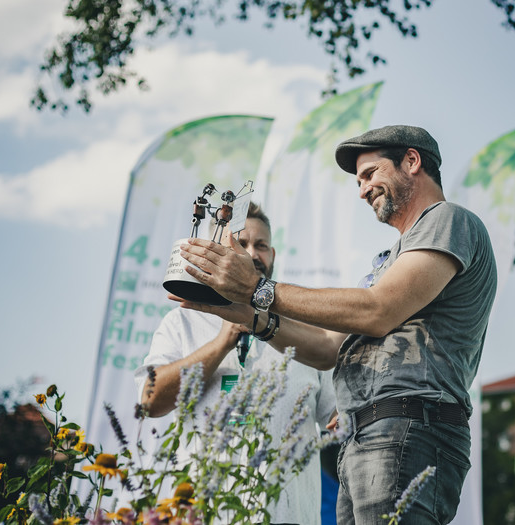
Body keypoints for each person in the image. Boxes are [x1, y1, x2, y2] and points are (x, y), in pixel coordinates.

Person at [174, 125, 498, 525]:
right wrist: (250, 317)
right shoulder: (389, 259)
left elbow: (377, 310)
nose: (362, 190)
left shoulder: (447, 219)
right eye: (359, 181)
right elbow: (328, 348)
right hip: (367, 439)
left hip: (407, 428)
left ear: (412, 162)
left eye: (370, 174)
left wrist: (259, 289)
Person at [134, 202, 336, 525]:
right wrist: (220, 343)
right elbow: (149, 400)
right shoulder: (182, 323)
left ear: (272, 256)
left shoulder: (305, 334)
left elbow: (338, 419)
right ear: (217, 251)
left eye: (261, 246)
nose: (252, 254)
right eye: (240, 243)